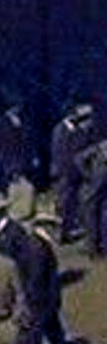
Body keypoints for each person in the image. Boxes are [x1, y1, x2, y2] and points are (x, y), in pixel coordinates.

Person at [0, 204, 82, 344]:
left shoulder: (36, 243)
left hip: (44, 301)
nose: (57, 231)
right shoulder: (38, 246)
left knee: (56, 339)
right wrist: (30, 302)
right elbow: (36, 277)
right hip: (40, 302)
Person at [50, 101, 97, 244]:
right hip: (64, 172)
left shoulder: (78, 130)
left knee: (72, 203)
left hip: (75, 172)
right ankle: (60, 234)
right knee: (63, 203)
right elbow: (59, 154)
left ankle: (69, 231)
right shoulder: (60, 129)